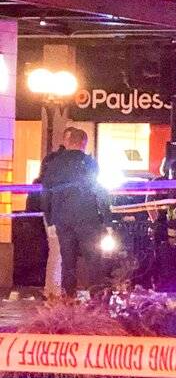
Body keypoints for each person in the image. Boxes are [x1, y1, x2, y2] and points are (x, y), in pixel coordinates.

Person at [38, 127, 108, 296]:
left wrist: (49, 218)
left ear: (67, 142)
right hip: (88, 219)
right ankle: (96, 298)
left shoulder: (54, 164)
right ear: (84, 143)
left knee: (67, 262)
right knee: (93, 260)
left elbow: (46, 192)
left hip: (62, 220)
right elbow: (99, 191)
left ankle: (69, 298)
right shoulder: (90, 163)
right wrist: (107, 218)